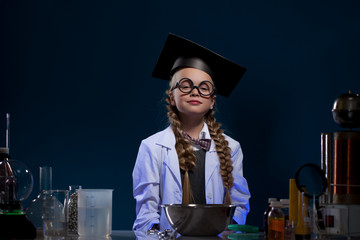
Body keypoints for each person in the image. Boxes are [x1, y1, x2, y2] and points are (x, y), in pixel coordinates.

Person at [132, 33, 251, 231]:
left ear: (212, 100)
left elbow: (239, 204)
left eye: (204, 88)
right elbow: (147, 210)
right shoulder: (152, 147)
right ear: (172, 97)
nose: (195, 92)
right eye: (186, 86)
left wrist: (229, 233)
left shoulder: (232, 148)